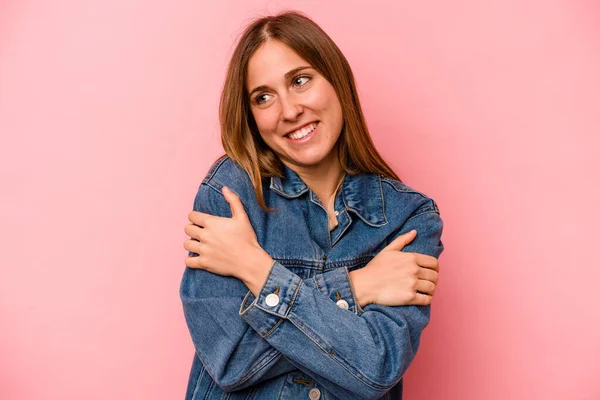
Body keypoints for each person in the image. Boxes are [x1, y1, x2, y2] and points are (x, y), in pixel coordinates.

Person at [180, 10, 444, 400]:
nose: (288, 111)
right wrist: (357, 286)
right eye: (264, 97)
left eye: (300, 81)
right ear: (252, 116)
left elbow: (375, 368)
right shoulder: (231, 192)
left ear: (336, 80)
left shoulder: (409, 218)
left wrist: (253, 266)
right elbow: (230, 358)